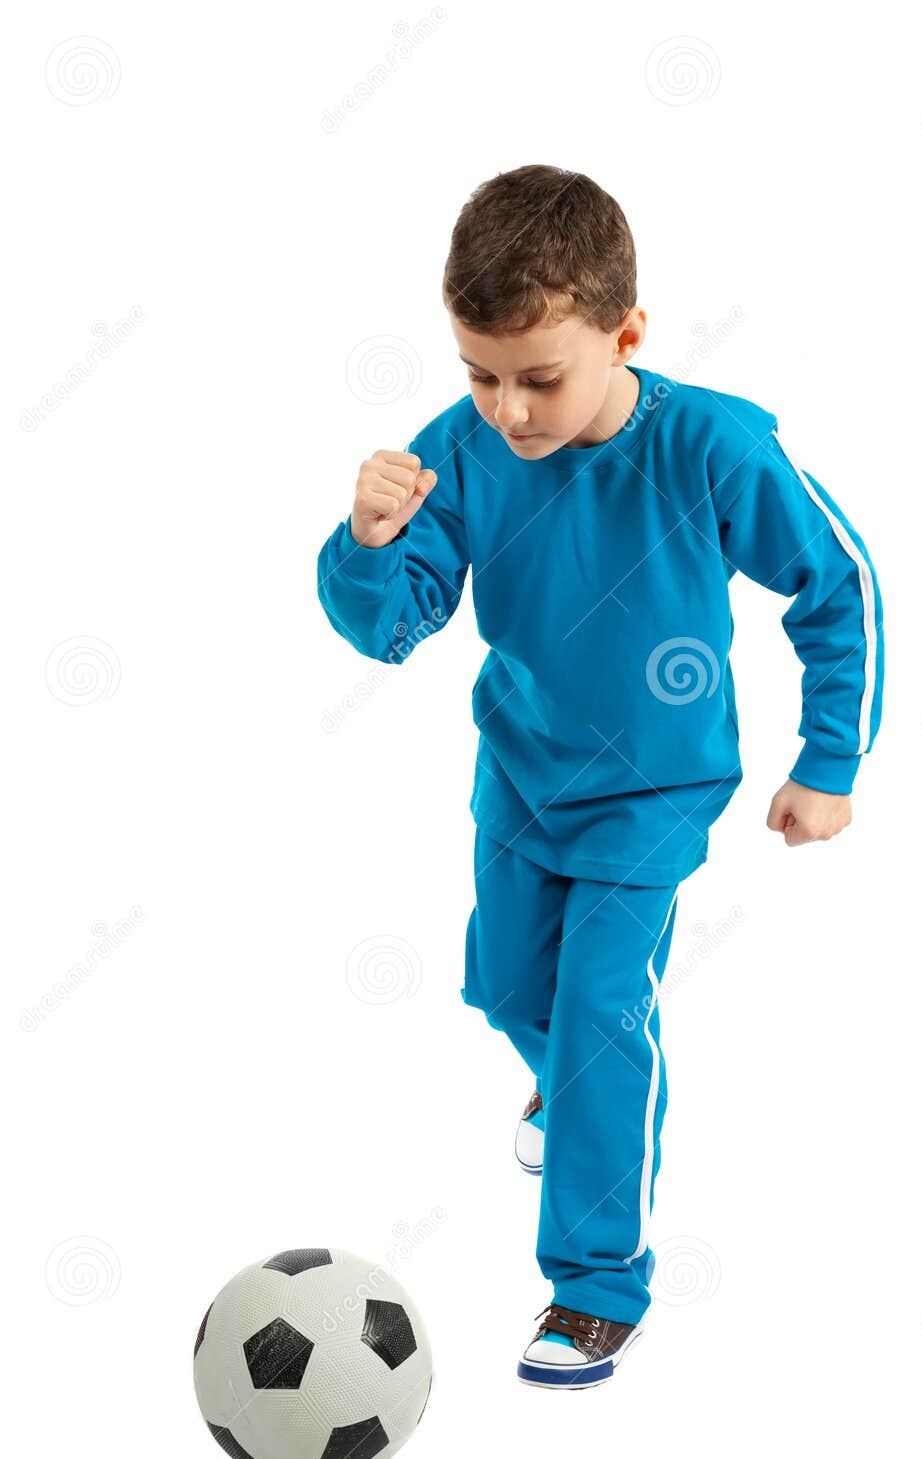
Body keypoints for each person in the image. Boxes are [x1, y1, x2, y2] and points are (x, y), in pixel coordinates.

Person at [317, 164, 885, 1390]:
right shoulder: (461, 448)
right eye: (480, 375)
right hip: (520, 773)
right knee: (503, 986)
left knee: (596, 1021)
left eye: (538, 377)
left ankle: (595, 1286)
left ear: (624, 334)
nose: (506, 410)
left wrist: (827, 759)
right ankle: (564, 1098)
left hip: (653, 792)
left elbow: (836, 584)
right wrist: (365, 543)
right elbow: (393, 625)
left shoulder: (711, 443)